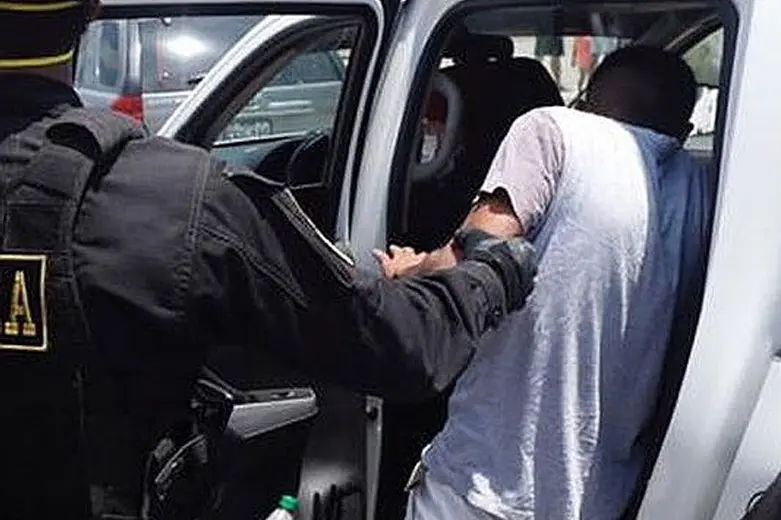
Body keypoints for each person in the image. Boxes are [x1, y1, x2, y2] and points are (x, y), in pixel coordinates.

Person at [0, 1, 537, 519]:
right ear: (93, 9)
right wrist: (488, 267)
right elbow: (401, 346)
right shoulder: (175, 201)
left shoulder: (169, 200)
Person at [380, 46, 709, 519]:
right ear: (682, 129)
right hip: (601, 497)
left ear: (587, 97)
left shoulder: (552, 131)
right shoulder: (699, 187)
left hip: (487, 485)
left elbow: (468, 261)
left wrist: (409, 270)